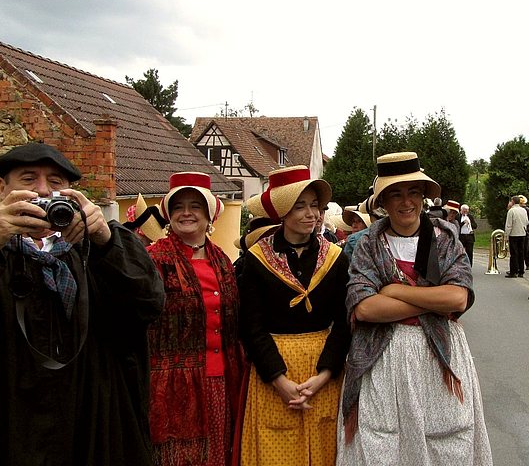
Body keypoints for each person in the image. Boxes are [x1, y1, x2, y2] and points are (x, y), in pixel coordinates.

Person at [0, 142, 164, 465]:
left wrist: (105, 238)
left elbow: (149, 300)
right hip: (0, 432)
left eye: (55, 183)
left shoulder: (92, 257)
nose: (42, 190)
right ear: (3, 189)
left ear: (70, 193)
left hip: (83, 433)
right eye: (28, 179)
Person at [338, 152, 492, 465]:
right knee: (382, 443)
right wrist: (432, 299)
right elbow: (365, 308)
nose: (406, 202)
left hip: (438, 358)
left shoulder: (445, 238)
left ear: (423, 197)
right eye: (396, 194)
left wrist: (393, 290)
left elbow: (458, 299)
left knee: (446, 442)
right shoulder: (367, 243)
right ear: (382, 201)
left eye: (413, 193)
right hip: (383, 361)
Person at [237, 165, 350, 466]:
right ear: (283, 212)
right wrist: (279, 380)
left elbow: (344, 322)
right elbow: (251, 326)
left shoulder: (337, 258)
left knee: (325, 452)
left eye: (315, 205)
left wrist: (325, 374)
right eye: (300, 206)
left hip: (322, 370)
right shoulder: (257, 259)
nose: (311, 214)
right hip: (273, 371)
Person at [146, 172, 248, 466]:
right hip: (172, 385)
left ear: (209, 214)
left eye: (195, 206)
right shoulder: (154, 259)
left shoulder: (222, 261)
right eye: (179, 207)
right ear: (168, 214)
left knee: (218, 455)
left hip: (221, 379)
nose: (187, 213)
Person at [504, 195, 528, 278]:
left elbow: (509, 225)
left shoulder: (511, 211)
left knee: (514, 253)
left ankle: (513, 271)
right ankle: (521, 270)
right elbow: (527, 222)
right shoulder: (523, 210)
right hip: (522, 234)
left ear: (513, 201)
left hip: (514, 234)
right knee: (521, 252)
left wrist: (506, 235)